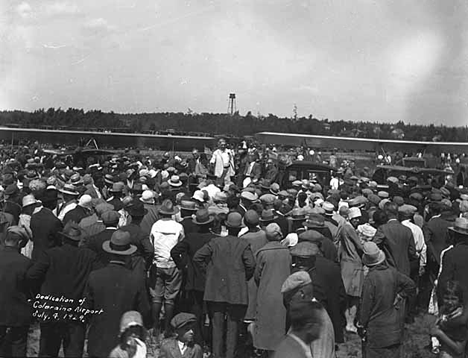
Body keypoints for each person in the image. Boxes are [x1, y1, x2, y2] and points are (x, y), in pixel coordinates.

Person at [27, 222, 97, 358]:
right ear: (78, 241)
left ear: (63, 238)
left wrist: (39, 292)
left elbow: (31, 275)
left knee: (48, 351)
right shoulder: (89, 256)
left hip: (51, 309)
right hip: (77, 310)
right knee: (74, 352)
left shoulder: (50, 255)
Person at [193, 211, 255, 358]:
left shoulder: (215, 242)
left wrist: (209, 274)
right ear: (240, 228)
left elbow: (197, 257)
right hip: (236, 290)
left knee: (217, 326)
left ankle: (216, 354)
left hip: (216, 289)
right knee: (233, 327)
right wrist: (242, 277)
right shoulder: (243, 244)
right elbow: (251, 265)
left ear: (226, 226)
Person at [85, 230, 150, 358]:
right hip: (126, 344)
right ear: (128, 255)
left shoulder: (94, 277)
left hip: (98, 340)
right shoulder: (135, 280)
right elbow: (145, 311)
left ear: (109, 253)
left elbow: (86, 309)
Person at [358, 242, 416, 358]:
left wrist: (361, 325)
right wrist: (400, 295)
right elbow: (411, 285)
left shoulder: (370, 279)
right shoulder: (392, 272)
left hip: (377, 331)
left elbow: (366, 307)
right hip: (395, 328)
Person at [252, 223, 291, 356]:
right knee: (281, 325)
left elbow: (257, 276)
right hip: (283, 293)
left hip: (266, 292)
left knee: (265, 325)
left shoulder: (262, 253)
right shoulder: (287, 252)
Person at [149, 199, 185, 339]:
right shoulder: (178, 227)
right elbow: (181, 244)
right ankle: (167, 327)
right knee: (170, 298)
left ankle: (155, 325)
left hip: (157, 263)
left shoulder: (155, 225)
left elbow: (152, 242)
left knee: (156, 296)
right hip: (172, 264)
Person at [274, 271, 329, 358]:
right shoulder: (304, 314)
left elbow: (321, 354)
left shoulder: (317, 317)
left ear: (302, 294)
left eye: (289, 299)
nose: (288, 304)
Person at [0, 227, 32, 358]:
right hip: (18, 314)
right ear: (20, 243)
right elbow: (31, 289)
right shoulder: (26, 263)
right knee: (18, 346)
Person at [338, 206, 364, 333]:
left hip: (345, 262)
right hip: (355, 263)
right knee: (355, 295)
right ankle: (350, 322)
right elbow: (360, 246)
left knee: (345, 294)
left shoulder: (343, 227)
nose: (358, 221)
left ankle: (346, 319)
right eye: (356, 219)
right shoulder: (349, 229)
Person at [431, 281, 468, 358]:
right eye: (446, 298)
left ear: (459, 300)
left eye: (454, 299)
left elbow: (459, 350)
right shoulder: (444, 310)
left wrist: (440, 334)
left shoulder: (460, 320)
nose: (449, 302)